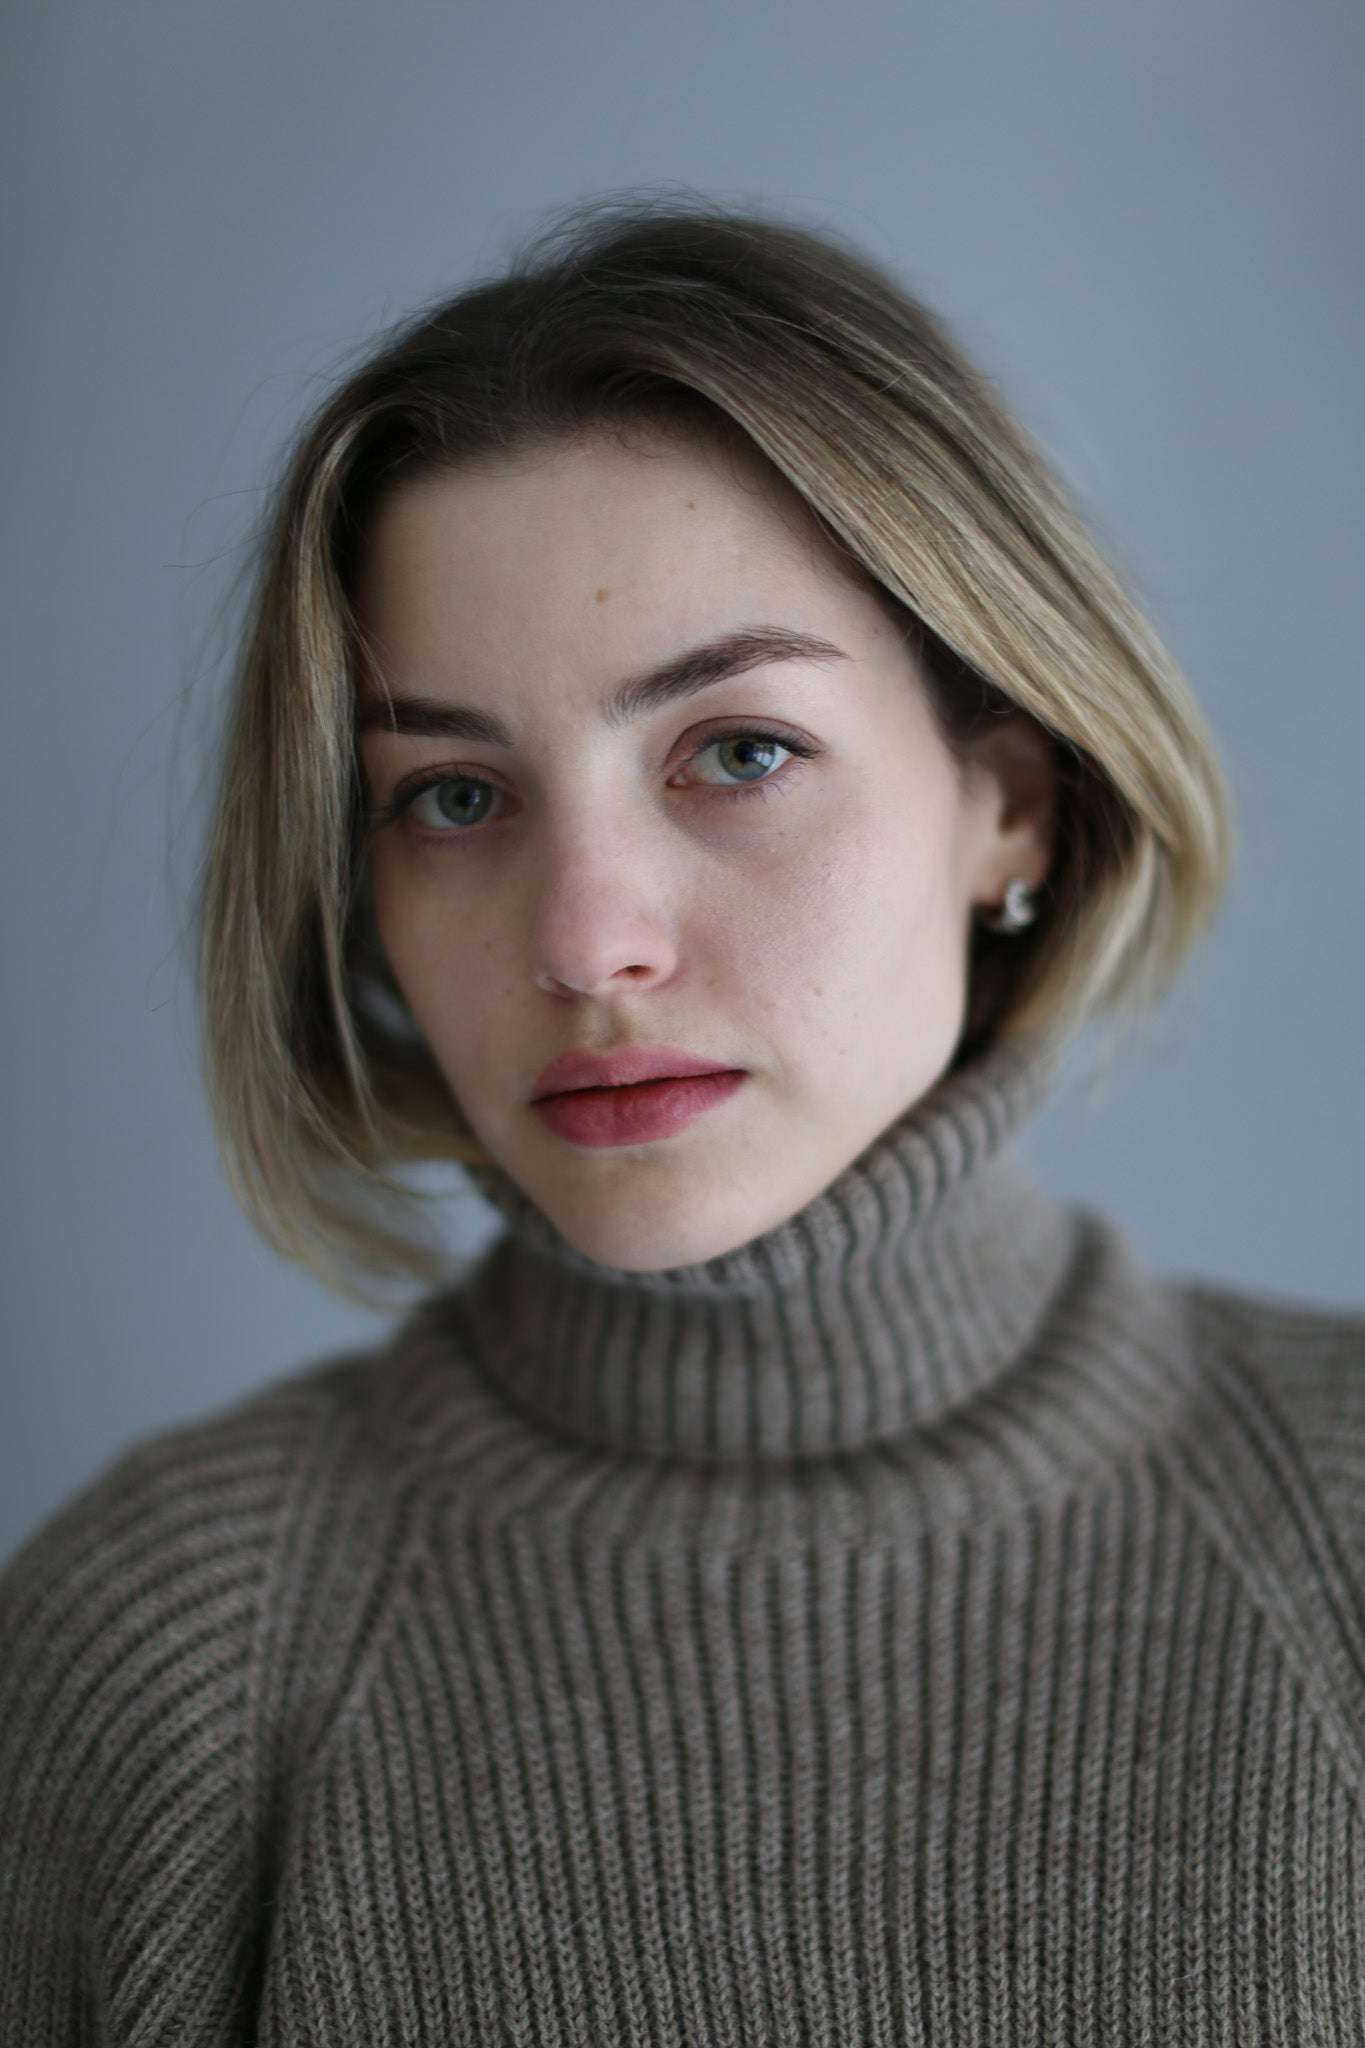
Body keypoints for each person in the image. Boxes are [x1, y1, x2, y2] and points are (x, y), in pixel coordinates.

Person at [2, 193, 1363, 2044]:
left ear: (1012, 806)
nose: (585, 944)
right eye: (455, 798)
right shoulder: (168, 1651)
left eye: (737, 754)